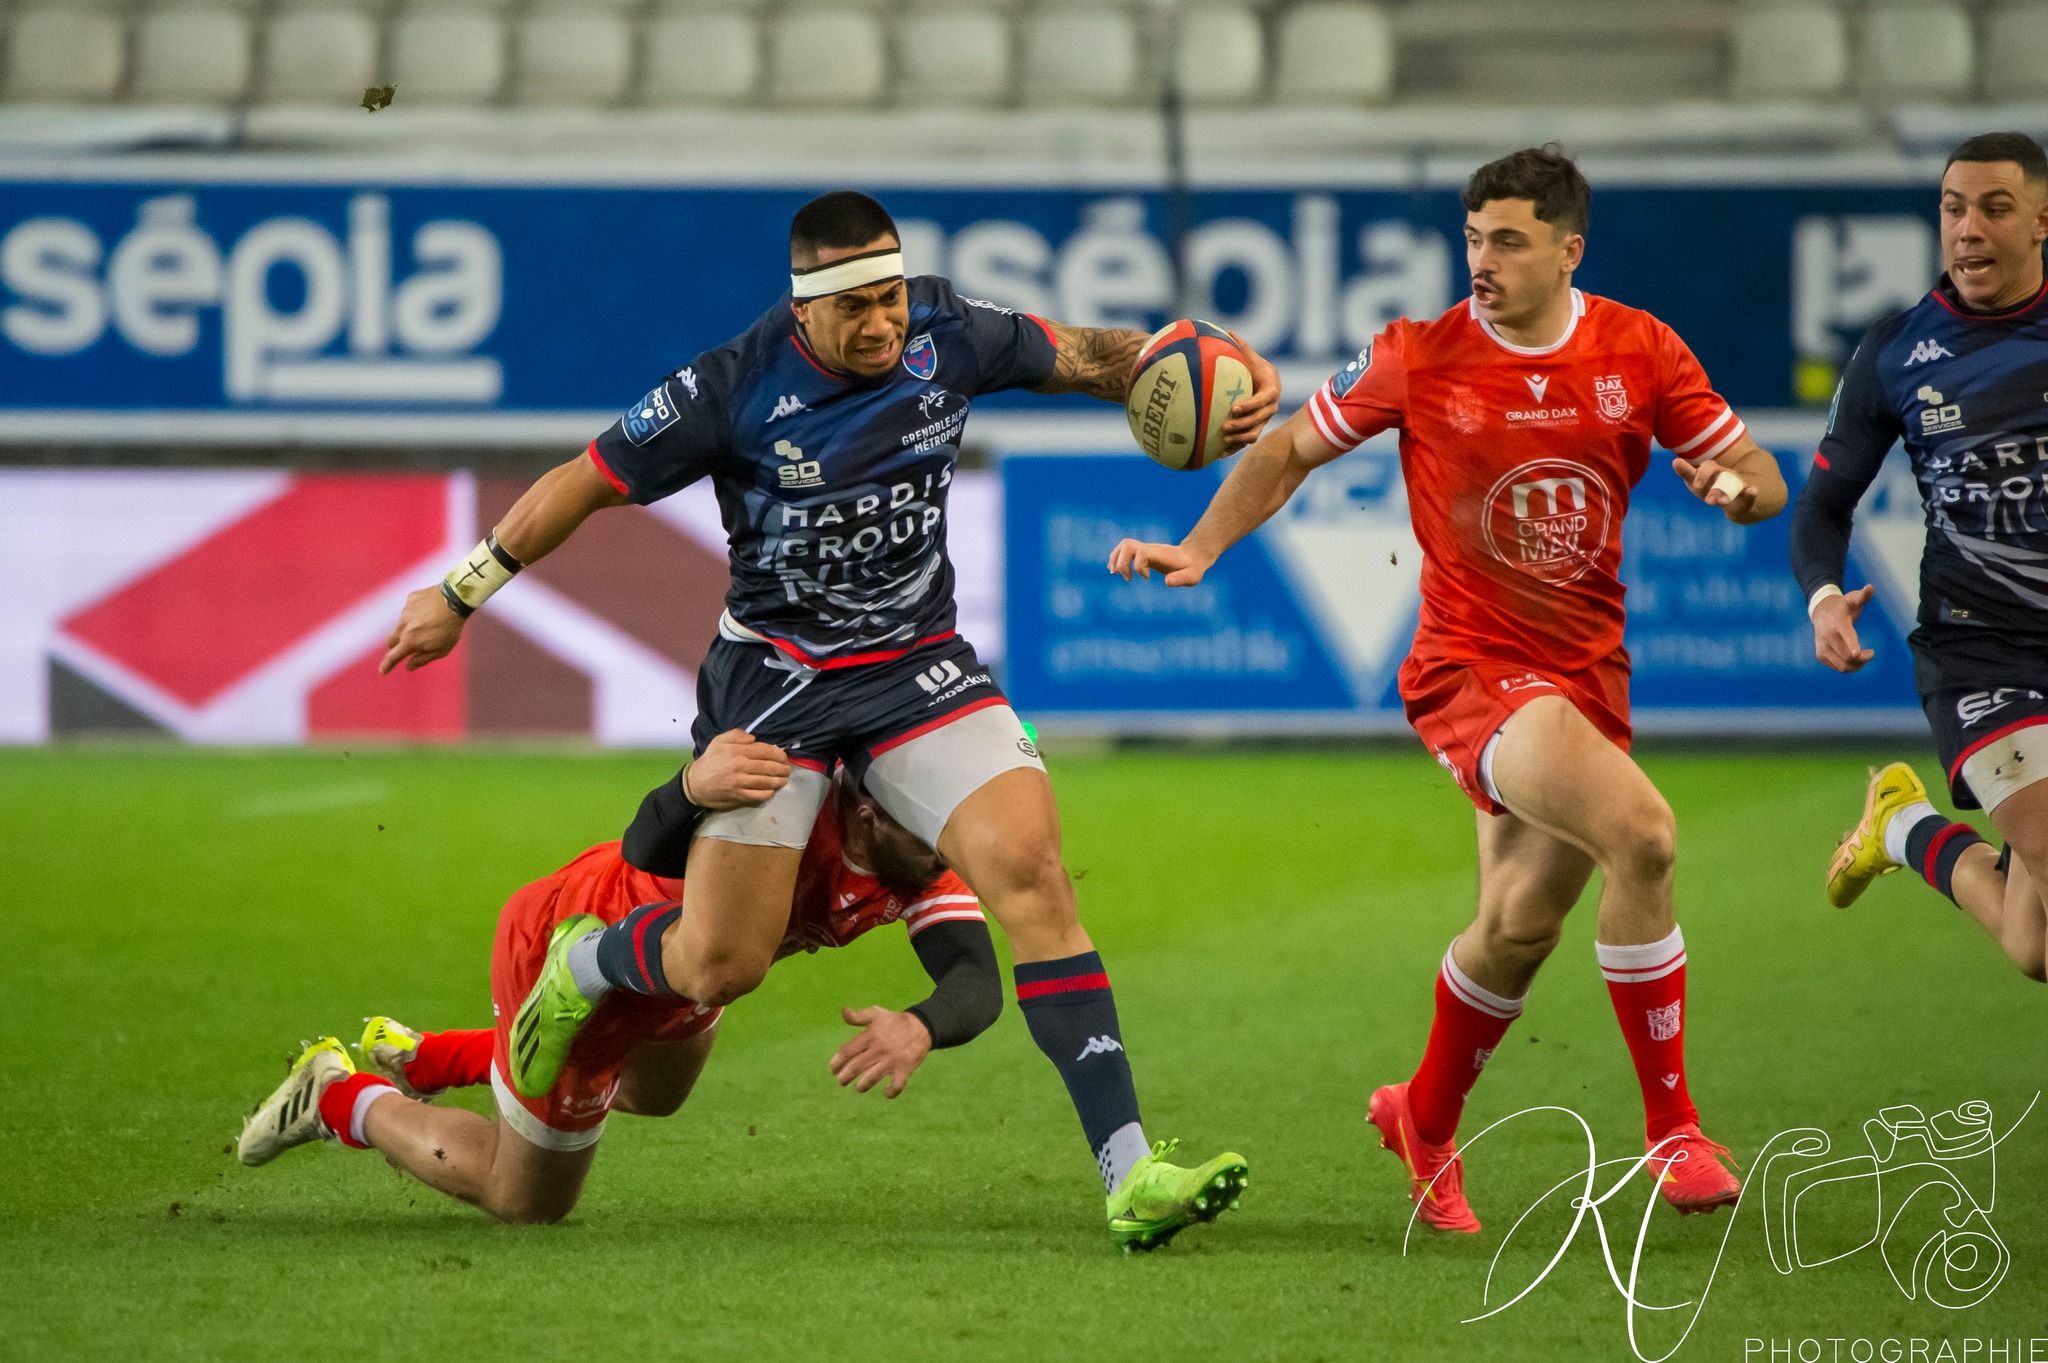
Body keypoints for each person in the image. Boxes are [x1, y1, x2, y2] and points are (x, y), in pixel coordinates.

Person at [376, 191, 1268, 1247]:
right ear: (805, 309)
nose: (884, 324)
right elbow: (587, 479)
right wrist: (461, 590)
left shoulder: (949, 330)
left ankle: (1130, 1173)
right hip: (780, 680)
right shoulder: (730, 386)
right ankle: (585, 964)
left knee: (1030, 871)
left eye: (891, 298)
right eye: (857, 310)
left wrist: (1200, 361)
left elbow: (1084, 355)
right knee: (720, 964)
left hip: (916, 668)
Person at [1108, 146, 1787, 1233]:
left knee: (1518, 926)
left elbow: (1758, 474)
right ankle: (1673, 1130)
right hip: (1470, 671)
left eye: (1507, 241)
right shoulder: (1417, 355)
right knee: (1644, 835)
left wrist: (1732, 490)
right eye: (1472, 238)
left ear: (1569, 249)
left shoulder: (1639, 347)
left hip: (1584, 675)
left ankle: (1420, 1116)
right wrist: (1200, 548)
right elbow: (1284, 452)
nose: (1481, 260)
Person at [236, 731, 1005, 1225]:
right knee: (523, 1199)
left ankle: (434, 1057)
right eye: (925, 824)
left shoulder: (921, 855)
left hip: (690, 976)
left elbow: (976, 976)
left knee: (655, 1092)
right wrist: (693, 785)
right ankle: (337, 1094)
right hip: (583, 948)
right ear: (866, 814)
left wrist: (920, 1024)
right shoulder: (785, 804)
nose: (945, 843)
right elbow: (648, 838)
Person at [1796, 132, 2048, 985]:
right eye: (1953, 209)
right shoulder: (1898, 351)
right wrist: (1823, 595)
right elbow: (1824, 504)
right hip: (1978, 651)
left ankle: (1903, 828)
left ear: (2043, 219)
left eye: (1995, 208)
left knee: (2035, 946)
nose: (1968, 229)